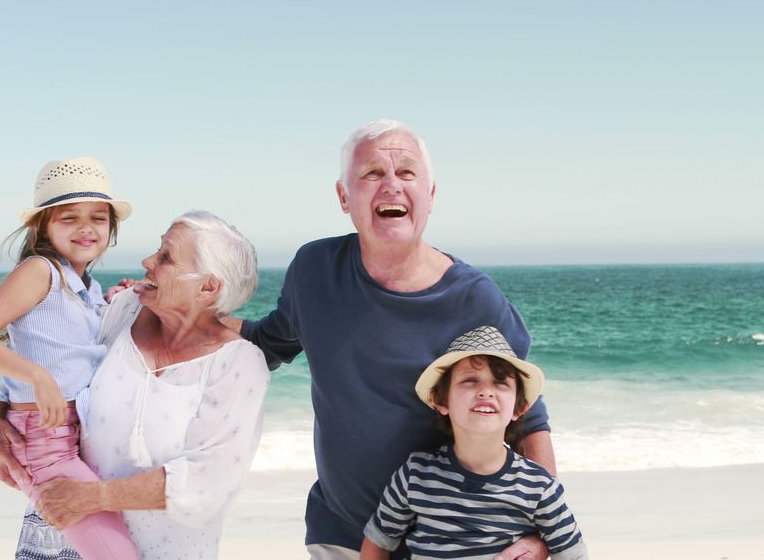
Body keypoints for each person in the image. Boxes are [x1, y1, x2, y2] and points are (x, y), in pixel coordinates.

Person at [225, 120, 556, 560]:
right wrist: (172, 309)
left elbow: (527, 421)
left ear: (431, 195)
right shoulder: (314, 269)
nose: (392, 186)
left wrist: (540, 534)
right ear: (344, 197)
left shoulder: (476, 300)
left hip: (448, 543)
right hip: (339, 530)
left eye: (406, 173)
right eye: (373, 173)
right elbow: (266, 342)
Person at [0, 210, 269, 560]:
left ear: (207, 287)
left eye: (166, 258)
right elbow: (54, 363)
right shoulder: (123, 309)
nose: (148, 261)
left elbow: (207, 483)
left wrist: (94, 497)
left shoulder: (238, 365)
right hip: (61, 536)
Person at [0, 156, 139, 560]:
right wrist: (36, 377)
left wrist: (118, 301)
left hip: (72, 437)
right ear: (43, 226)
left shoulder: (86, 287)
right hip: (45, 441)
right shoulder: (40, 271)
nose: (86, 228)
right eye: (69, 217)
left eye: (98, 218)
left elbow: (76, 350)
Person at [361, 326, 587, 560]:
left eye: (501, 382)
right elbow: (378, 541)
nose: (485, 391)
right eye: (470, 380)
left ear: (519, 407)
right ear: (440, 399)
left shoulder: (538, 487)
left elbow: (574, 555)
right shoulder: (416, 475)